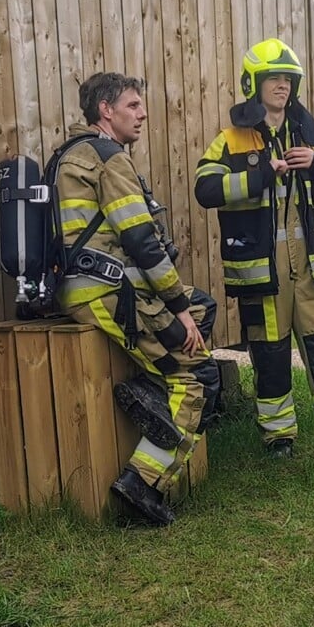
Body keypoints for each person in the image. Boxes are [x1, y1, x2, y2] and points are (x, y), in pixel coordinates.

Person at [195, 39, 314, 465]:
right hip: (262, 274)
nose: (282, 86)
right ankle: (277, 439)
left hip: (310, 271)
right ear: (254, 84)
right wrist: (263, 173)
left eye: (288, 79)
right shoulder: (230, 140)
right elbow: (205, 188)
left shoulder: (306, 136)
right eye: (273, 79)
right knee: (271, 355)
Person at [57, 73, 219, 527]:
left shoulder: (69, 155)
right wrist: (178, 311)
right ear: (105, 111)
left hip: (85, 289)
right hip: (110, 294)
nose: (142, 113)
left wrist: (188, 306)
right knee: (197, 377)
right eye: (132, 105)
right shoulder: (109, 159)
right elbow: (143, 244)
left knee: (205, 304)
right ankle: (143, 484)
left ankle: (151, 389)